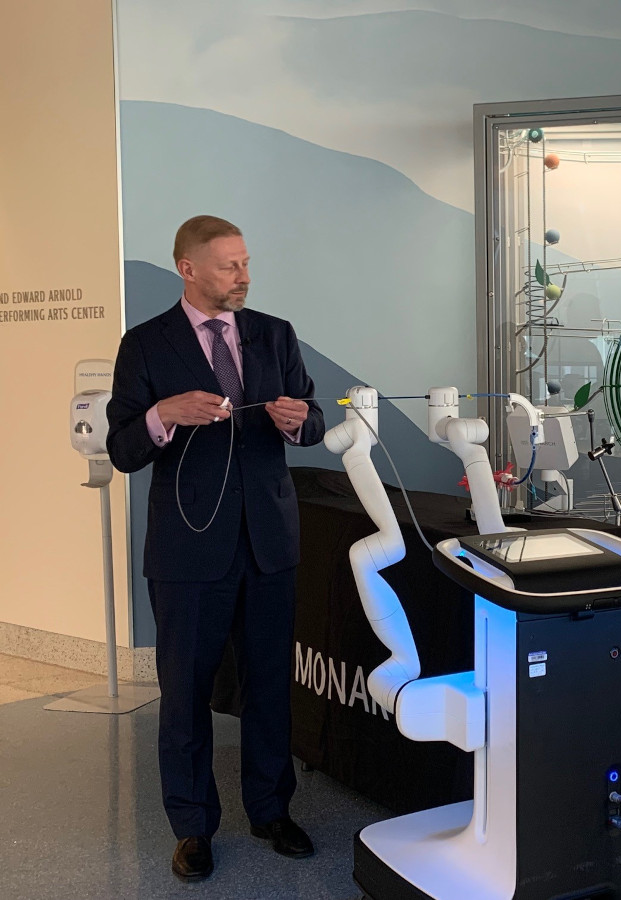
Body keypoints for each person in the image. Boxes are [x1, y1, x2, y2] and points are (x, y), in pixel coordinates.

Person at [107, 216, 326, 881]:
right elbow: (122, 447)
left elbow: (314, 417)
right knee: (185, 695)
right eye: (229, 265)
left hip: (269, 545)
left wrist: (300, 422)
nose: (244, 276)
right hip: (187, 551)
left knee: (268, 689)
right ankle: (193, 828)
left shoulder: (275, 333)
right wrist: (163, 415)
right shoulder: (144, 345)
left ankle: (269, 810)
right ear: (188, 268)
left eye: (246, 263)